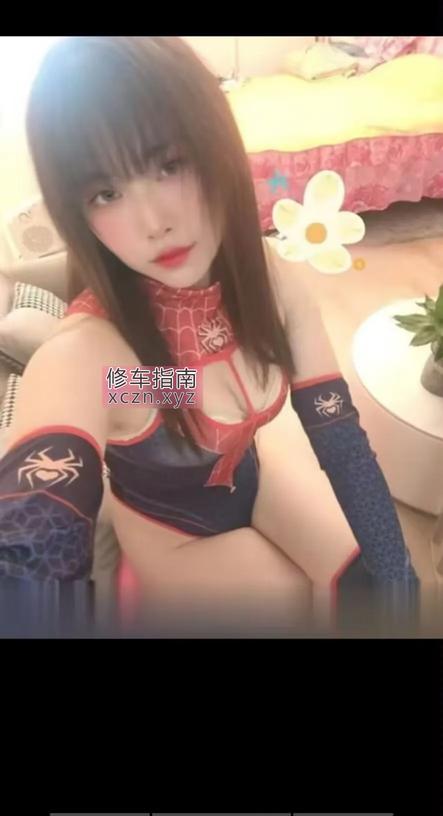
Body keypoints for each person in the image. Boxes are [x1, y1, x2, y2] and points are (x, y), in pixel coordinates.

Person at [0, 36, 418, 633]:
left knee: (375, 585)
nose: (154, 222)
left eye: (170, 163)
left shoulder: (265, 279)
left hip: (250, 474)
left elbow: (342, 441)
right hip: (171, 532)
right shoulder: (91, 357)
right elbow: (32, 539)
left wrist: (401, 586)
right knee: (287, 602)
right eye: (106, 193)